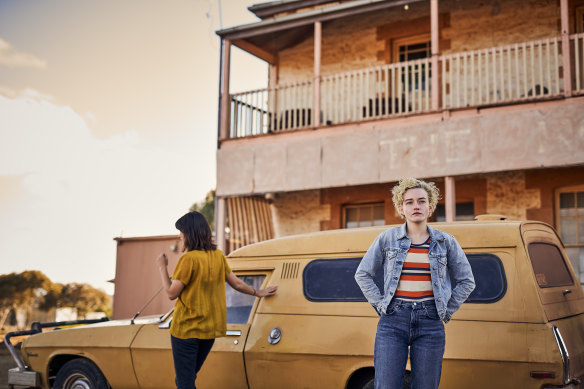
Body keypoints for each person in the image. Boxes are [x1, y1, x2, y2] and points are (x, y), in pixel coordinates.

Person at [355, 178, 475, 389]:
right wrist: (382, 305)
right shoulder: (387, 239)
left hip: (431, 321)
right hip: (392, 321)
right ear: (401, 208)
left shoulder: (446, 242)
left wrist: (445, 311)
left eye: (421, 201)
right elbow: (362, 274)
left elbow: (467, 281)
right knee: (387, 386)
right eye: (409, 202)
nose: (416, 206)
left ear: (430, 206)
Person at [156, 211, 277, 389]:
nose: (180, 235)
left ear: (189, 232)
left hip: (186, 331)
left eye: (181, 231)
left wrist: (162, 267)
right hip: (209, 332)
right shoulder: (218, 256)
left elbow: (171, 293)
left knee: (185, 382)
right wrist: (258, 292)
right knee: (186, 379)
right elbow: (236, 283)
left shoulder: (188, 259)